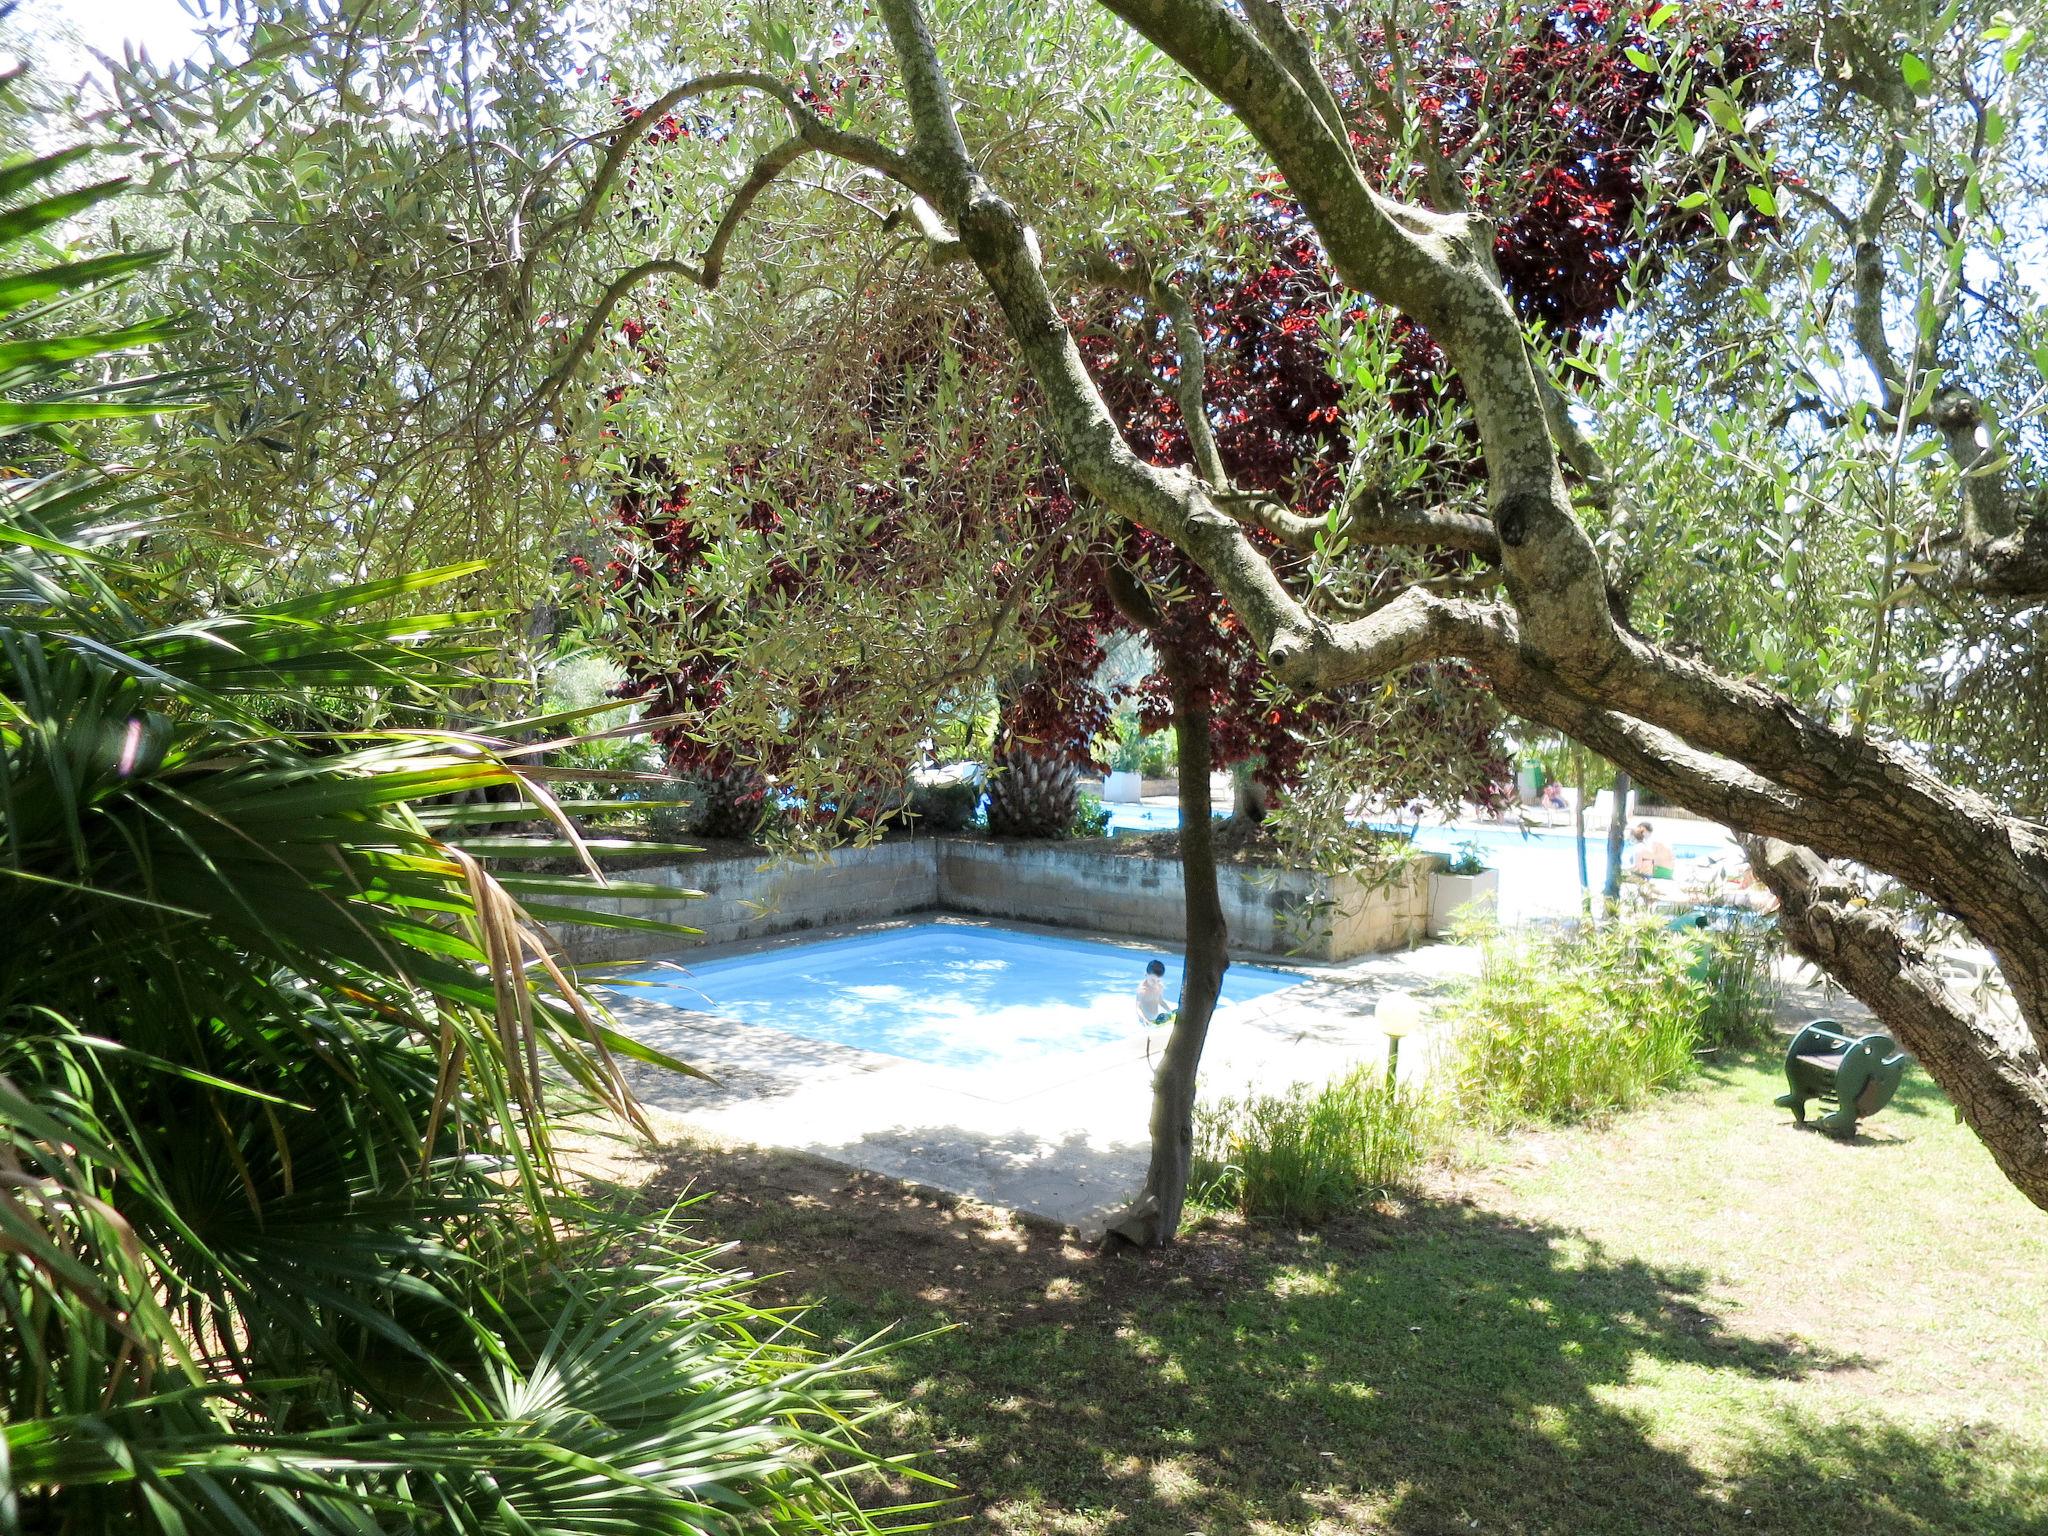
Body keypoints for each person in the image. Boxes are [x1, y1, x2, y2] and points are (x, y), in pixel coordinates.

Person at [1135, 958, 1173, 1026]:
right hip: (1144, 1022)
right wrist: (1143, 1019)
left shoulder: (1159, 986)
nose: (1155, 983)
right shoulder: (1142, 990)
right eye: (1153, 980)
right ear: (1146, 974)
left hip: (1155, 1020)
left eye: (1158, 980)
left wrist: (1170, 1012)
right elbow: (1138, 1007)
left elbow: (1161, 1001)